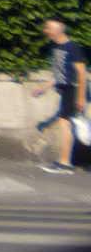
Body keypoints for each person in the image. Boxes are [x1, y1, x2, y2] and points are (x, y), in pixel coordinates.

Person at [31, 17, 87, 174]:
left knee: (65, 125)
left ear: (59, 29)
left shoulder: (72, 47)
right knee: (66, 125)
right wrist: (43, 88)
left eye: (48, 28)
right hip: (66, 91)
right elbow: (59, 74)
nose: (45, 31)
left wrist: (81, 97)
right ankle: (64, 162)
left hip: (73, 90)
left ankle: (65, 163)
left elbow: (82, 74)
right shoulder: (56, 48)